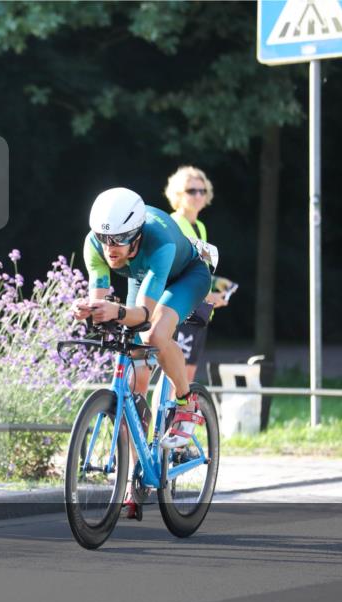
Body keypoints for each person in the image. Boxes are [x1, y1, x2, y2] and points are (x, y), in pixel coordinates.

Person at [72, 187, 211, 518]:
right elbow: (101, 295)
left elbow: (144, 315)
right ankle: (137, 477)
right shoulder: (96, 243)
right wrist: (90, 310)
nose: (110, 249)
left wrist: (116, 312)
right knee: (133, 388)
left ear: (136, 235)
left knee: (154, 334)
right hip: (142, 275)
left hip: (185, 275)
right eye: (104, 239)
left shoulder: (157, 241)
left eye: (119, 241)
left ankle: (185, 402)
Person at [164, 166, 229, 382]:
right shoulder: (175, 224)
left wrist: (216, 282)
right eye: (191, 191)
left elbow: (196, 267)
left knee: (188, 375)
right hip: (182, 308)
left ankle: (177, 416)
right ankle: (163, 417)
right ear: (178, 194)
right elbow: (180, 274)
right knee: (174, 377)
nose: (198, 196)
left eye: (202, 191)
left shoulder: (199, 226)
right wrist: (210, 297)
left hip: (199, 312)